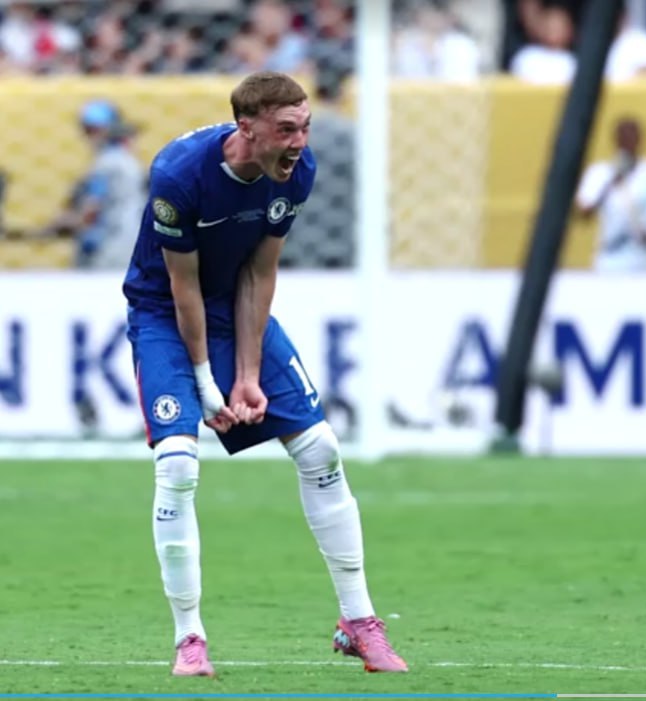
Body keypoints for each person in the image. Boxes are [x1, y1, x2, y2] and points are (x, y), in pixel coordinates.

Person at [122, 71, 408, 677]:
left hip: (236, 309)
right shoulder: (178, 173)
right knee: (177, 465)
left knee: (321, 448)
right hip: (165, 314)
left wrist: (248, 375)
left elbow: (258, 273)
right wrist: (208, 385)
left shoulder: (296, 172)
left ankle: (359, 622)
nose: (300, 141)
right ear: (246, 128)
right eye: (286, 129)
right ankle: (189, 638)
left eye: (304, 127)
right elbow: (182, 285)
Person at [44, 99, 145, 270]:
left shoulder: (105, 165)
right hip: (129, 245)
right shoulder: (129, 162)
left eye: (92, 130)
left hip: (107, 250)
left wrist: (59, 225)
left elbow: (91, 211)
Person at [575, 117, 646, 272]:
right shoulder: (599, 172)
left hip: (645, 256)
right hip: (610, 255)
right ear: (615, 141)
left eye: (632, 138)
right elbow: (584, 213)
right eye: (623, 139)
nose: (627, 143)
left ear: (640, 140)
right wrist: (610, 184)